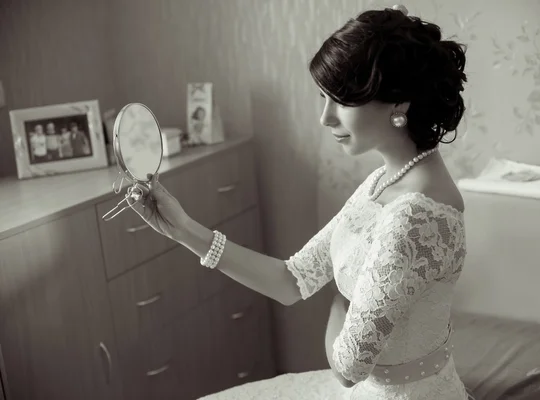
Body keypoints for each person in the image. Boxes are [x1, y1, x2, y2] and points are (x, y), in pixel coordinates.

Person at [130, 4, 469, 399]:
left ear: (400, 104)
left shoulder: (414, 215)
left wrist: (341, 297)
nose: (324, 118)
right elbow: (292, 279)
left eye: (341, 100)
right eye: (323, 97)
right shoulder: (385, 180)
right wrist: (183, 228)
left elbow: (347, 367)